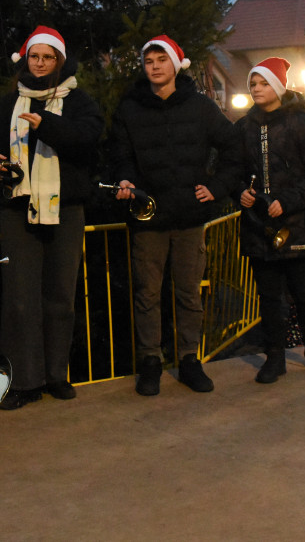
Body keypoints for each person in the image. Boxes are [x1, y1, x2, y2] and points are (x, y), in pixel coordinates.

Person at [0, 26, 102, 410]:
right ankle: (24, 381)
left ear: (59, 60)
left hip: (66, 207)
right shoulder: (11, 101)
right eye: (35, 57)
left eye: (48, 57)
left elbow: (88, 138)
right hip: (18, 206)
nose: (41, 64)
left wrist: (48, 124)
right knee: (19, 299)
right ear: (25, 59)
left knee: (60, 296)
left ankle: (56, 375)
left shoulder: (78, 99)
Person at [107, 35, 241, 396]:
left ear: (175, 64)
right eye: (149, 61)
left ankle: (188, 360)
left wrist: (217, 187)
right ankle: (150, 361)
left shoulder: (199, 106)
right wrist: (124, 178)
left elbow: (234, 148)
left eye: (161, 59)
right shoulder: (130, 107)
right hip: (148, 216)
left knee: (188, 294)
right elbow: (118, 154)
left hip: (188, 216)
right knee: (147, 294)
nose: (154, 66)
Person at [236, 58, 305, 384]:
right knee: (269, 297)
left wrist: (287, 201)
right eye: (253, 84)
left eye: (263, 83)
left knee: (304, 294)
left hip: (296, 224)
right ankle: (275, 355)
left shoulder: (300, 123)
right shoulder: (245, 126)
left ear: (277, 86)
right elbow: (233, 171)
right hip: (258, 227)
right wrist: (242, 193)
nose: (256, 89)